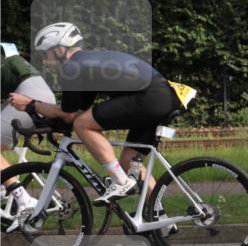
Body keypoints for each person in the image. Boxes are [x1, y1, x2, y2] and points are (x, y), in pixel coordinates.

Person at [8, 22, 182, 204]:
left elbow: (70, 116)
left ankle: (121, 181)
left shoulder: (72, 68)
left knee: (83, 124)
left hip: (150, 97)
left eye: (45, 54)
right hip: (162, 95)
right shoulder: (88, 64)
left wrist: (30, 104)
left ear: (59, 50)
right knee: (130, 163)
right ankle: (159, 218)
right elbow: (75, 112)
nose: (44, 61)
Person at [1, 42, 57, 212]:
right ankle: (4, 185)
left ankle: (23, 199)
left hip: (29, 98)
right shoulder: (6, 55)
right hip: (38, 95)